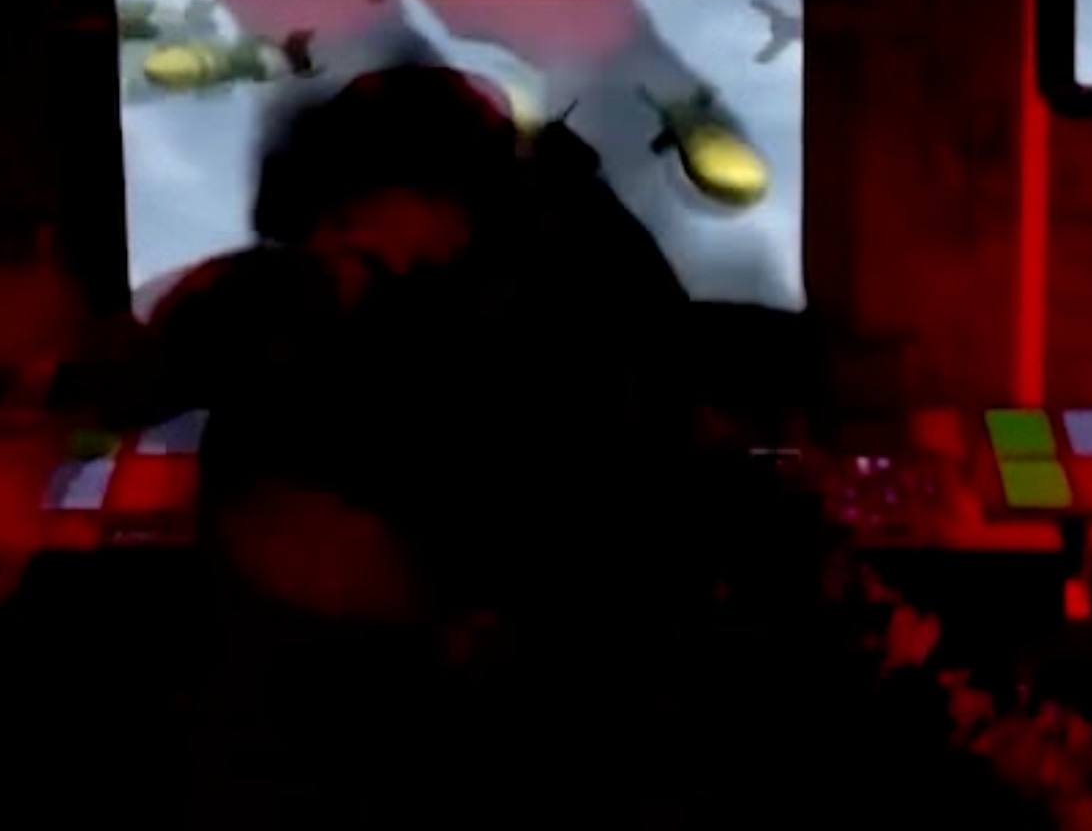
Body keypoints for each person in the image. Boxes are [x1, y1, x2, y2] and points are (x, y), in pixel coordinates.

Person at [143, 66, 705, 827]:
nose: (335, 253)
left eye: (349, 224)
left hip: (485, 749)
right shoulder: (446, 287)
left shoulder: (551, 312)